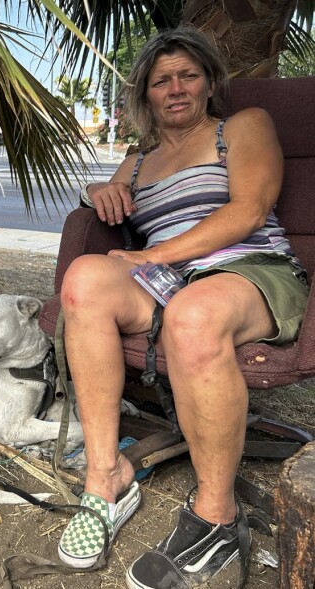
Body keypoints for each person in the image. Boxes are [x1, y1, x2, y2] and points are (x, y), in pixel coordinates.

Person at [55, 27, 310, 589]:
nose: (175, 88)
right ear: (145, 94)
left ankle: (216, 517)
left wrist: (156, 254)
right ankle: (107, 478)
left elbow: (250, 209)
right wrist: (99, 190)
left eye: (187, 76)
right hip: (166, 280)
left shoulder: (240, 128)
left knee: (193, 314)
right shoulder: (140, 160)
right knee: (83, 280)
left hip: (249, 269)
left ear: (210, 82)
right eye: (161, 79)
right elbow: (104, 198)